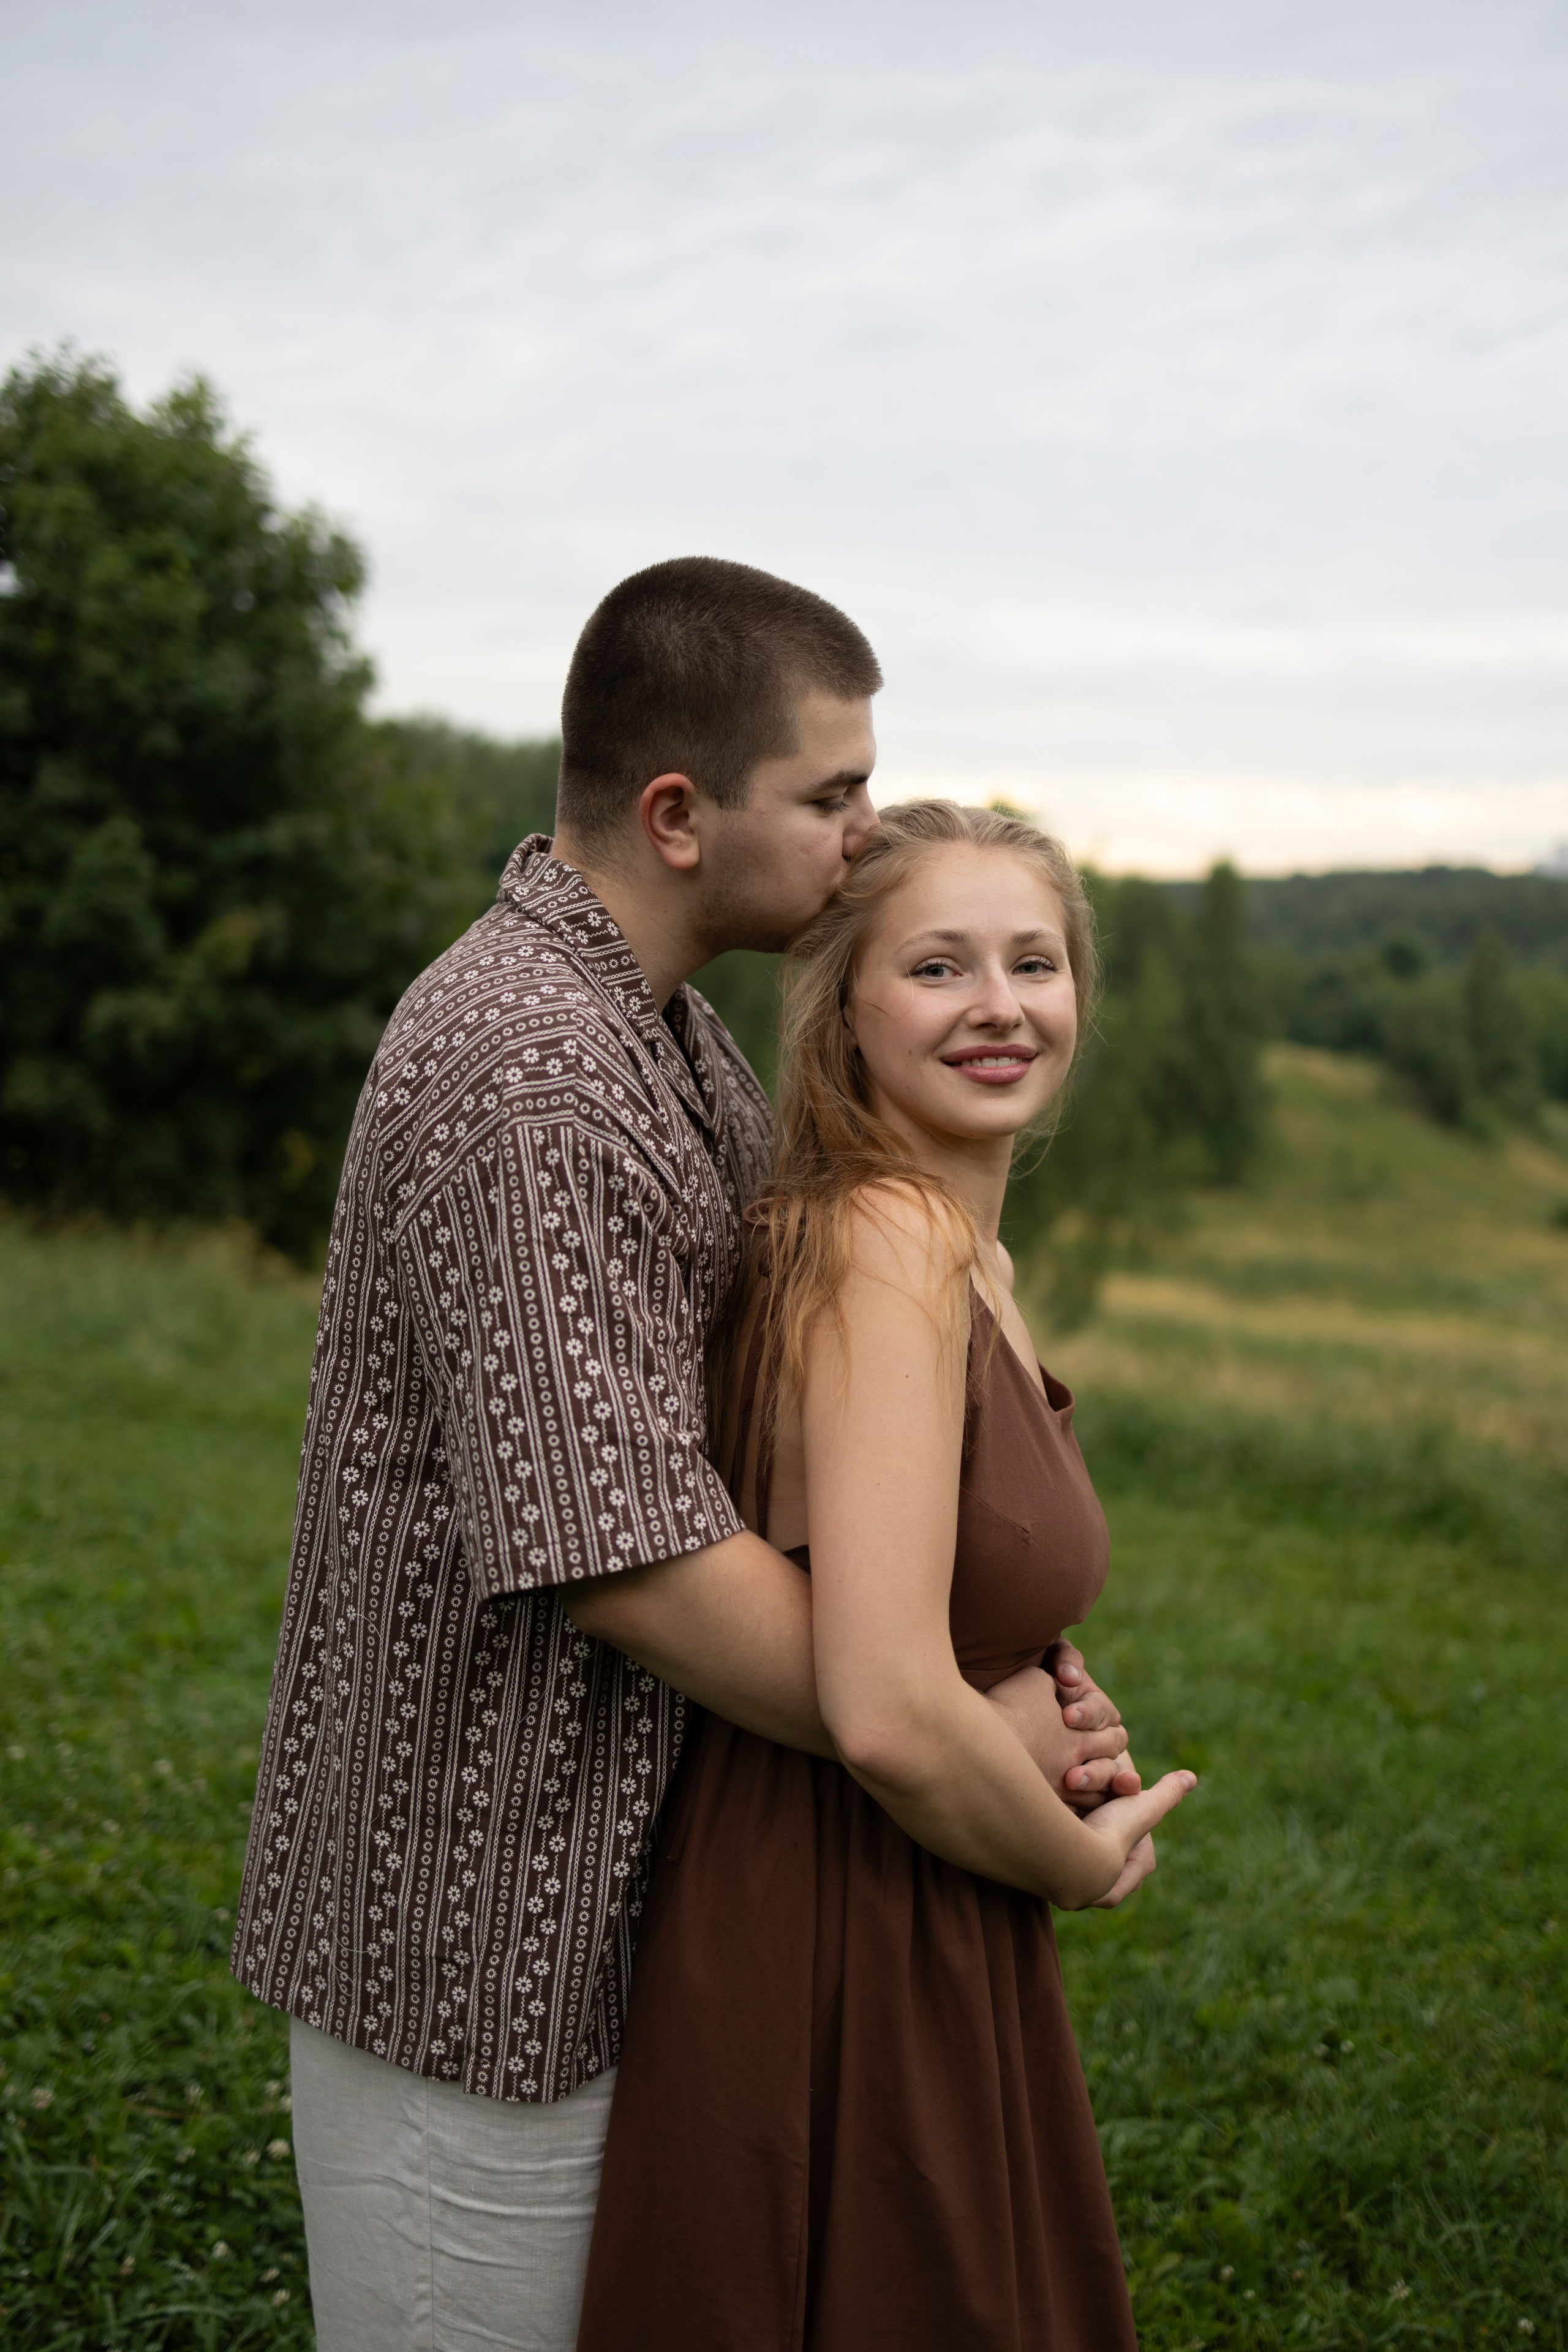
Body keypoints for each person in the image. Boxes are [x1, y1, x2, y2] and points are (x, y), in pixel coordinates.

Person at [231, 561, 1137, 2352]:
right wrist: (967, 1740)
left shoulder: (649, 1035)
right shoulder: (535, 1074)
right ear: (676, 816)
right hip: (477, 1939)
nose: (866, 837)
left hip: (610, 1909)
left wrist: (973, 1674)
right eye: (830, 795)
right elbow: (630, 1560)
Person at [576, 799, 1197, 2351]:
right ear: (843, 1006)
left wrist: (1034, 1683)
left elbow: (924, 1597)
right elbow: (884, 1711)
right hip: (840, 1906)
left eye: (1033, 962)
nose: (998, 1005)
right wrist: (1076, 1856)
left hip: (928, 1874)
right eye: (936, 966)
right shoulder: (885, 1245)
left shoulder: (957, 1246)